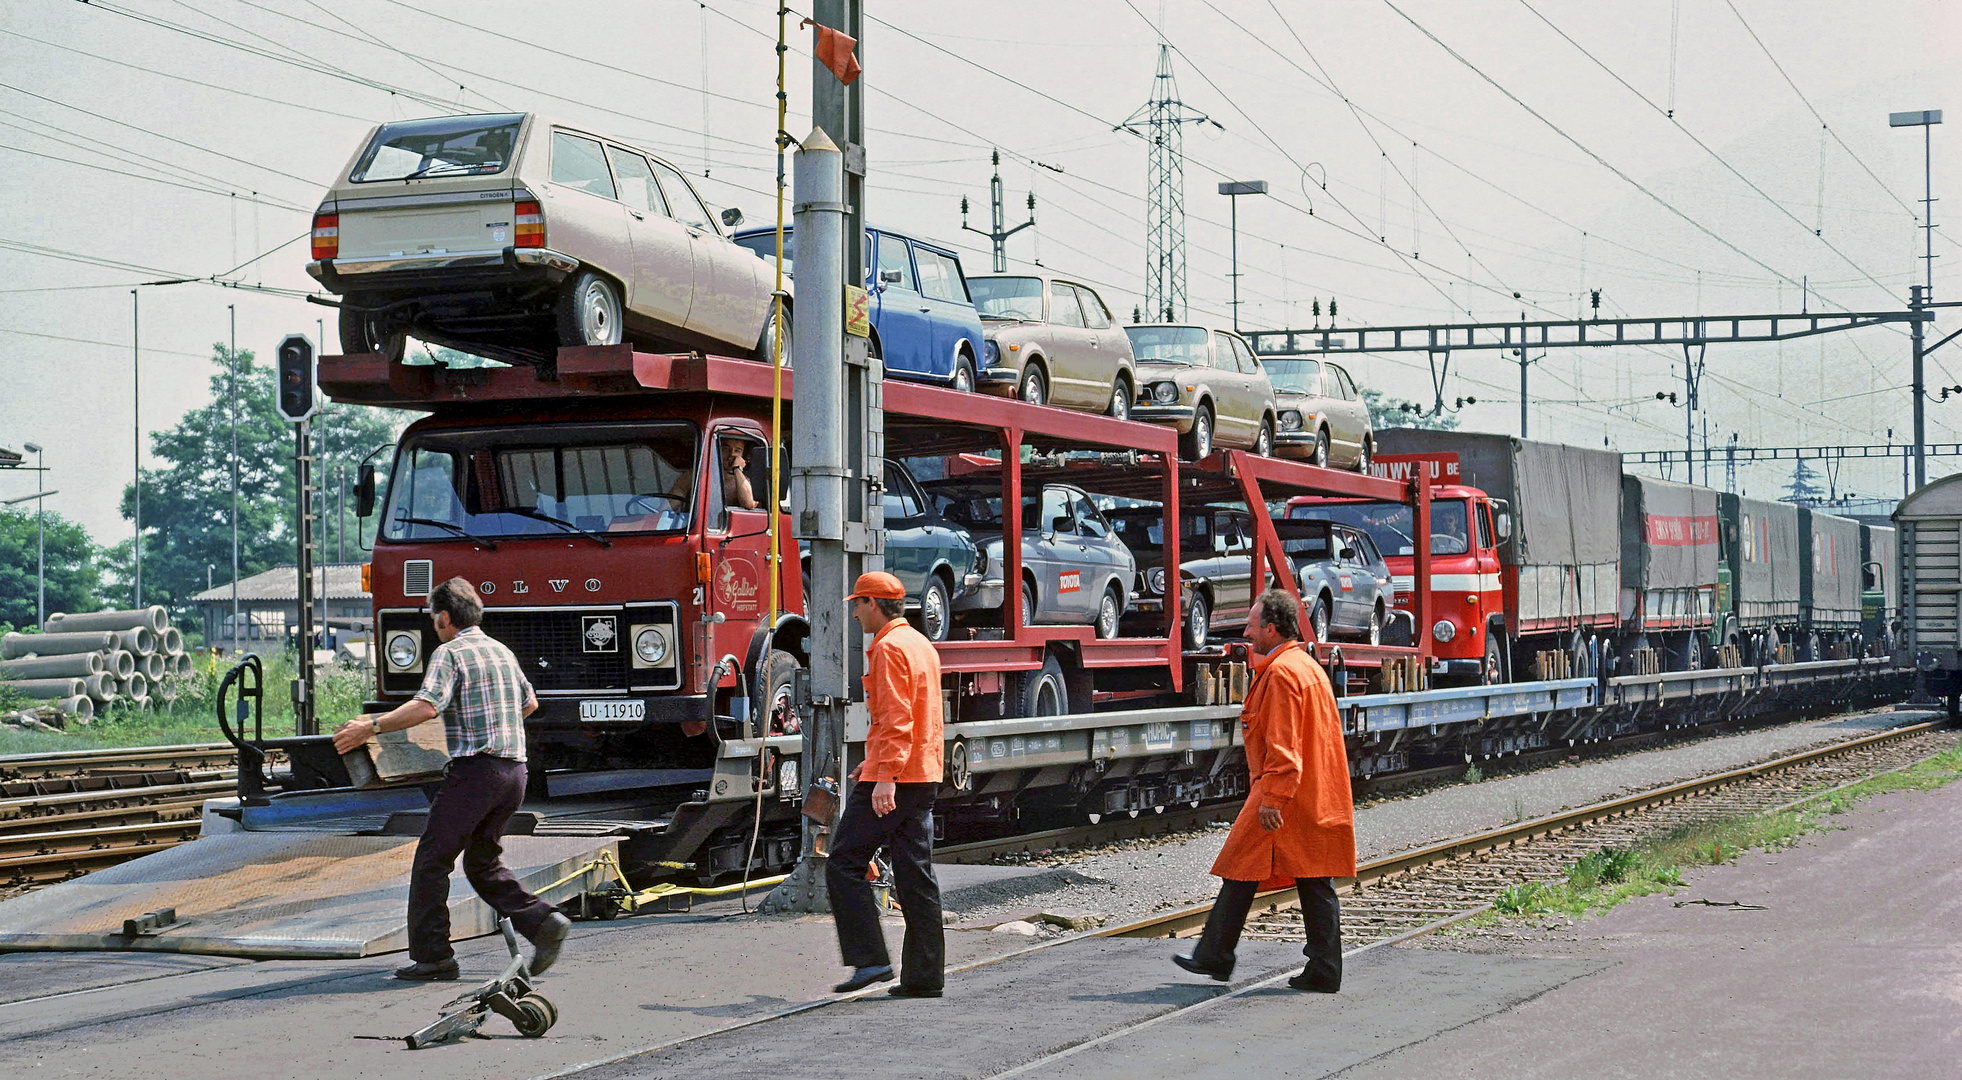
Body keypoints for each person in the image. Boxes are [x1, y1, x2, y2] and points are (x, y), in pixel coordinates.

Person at [332, 576, 571, 981]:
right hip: (515, 772)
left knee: (431, 860)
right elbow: (529, 703)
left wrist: (371, 726)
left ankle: (434, 958)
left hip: (477, 773)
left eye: (432, 617)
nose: (432, 624)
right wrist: (492, 725)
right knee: (482, 862)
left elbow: (426, 707)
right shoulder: (501, 651)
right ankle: (545, 924)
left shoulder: (450, 653)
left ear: (444, 617)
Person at [1174, 587, 1355, 993]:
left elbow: (1284, 745)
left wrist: (1273, 799)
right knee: (1311, 876)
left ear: (1271, 628)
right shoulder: (1305, 666)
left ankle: (1216, 955)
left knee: (1241, 863)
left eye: (1253, 624)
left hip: (1286, 792)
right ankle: (1321, 967)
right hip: (1312, 791)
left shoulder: (1282, 674)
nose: (1247, 631)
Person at [826, 570, 946, 997]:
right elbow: (911, 715)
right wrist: (872, 764)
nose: (855, 613)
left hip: (898, 778)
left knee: (843, 861)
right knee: (916, 876)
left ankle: (871, 960)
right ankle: (924, 977)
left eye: (857, 604)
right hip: (923, 772)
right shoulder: (919, 644)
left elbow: (896, 719)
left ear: (873, 604)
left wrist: (885, 777)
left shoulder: (889, 648)